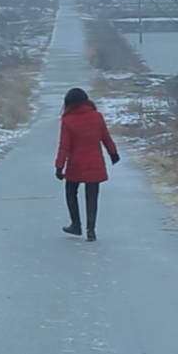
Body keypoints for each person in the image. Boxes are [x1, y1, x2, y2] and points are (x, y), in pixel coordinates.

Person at [54, 87, 119, 242]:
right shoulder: (97, 117)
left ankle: (76, 225)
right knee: (92, 197)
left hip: (75, 164)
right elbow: (106, 138)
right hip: (95, 162)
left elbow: (64, 146)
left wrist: (59, 166)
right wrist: (113, 154)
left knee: (71, 192)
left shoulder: (68, 120)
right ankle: (91, 231)